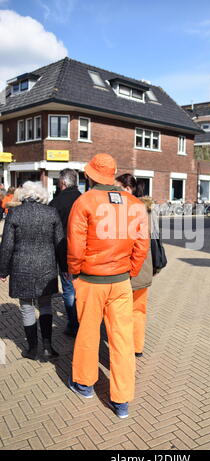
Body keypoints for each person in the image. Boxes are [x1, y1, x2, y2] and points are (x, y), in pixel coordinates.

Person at [67, 153, 149, 419]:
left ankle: (85, 383)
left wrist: (75, 273)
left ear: (90, 175)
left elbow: (76, 246)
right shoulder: (134, 204)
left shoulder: (84, 202)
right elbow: (142, 246)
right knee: (123, 340)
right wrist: (130, 272)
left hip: (92, 280)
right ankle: (122, 401)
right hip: (121, 281)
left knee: (88, 333)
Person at [0, 181, 66, 361]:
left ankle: (32, 349)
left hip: (22, 268)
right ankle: (47, 347)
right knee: (45, 305)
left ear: (24, 195)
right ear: (41, 195)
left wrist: (3, 271)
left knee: (27, 307)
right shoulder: (51, 213)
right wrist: (65, 268)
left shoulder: (15, 213)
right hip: (47, 267)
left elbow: (6, 245)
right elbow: (60, 243)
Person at [115, 173, 153, 358]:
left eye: (118, 187)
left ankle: (124, 347)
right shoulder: (147, 210)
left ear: (127, 189)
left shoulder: (126, 211)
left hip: (128, 270)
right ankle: (137, 347)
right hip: (145, 271)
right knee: (139, 310)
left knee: (122, 313)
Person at [49, 169, 81, 337]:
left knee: (69, 290)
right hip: (86, 254)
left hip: (65, 254)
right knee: (84, 289)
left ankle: (74, 325)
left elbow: (49, 232)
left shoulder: (55, 203)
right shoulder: (86, 199)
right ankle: (86, 322)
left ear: (62, 183)